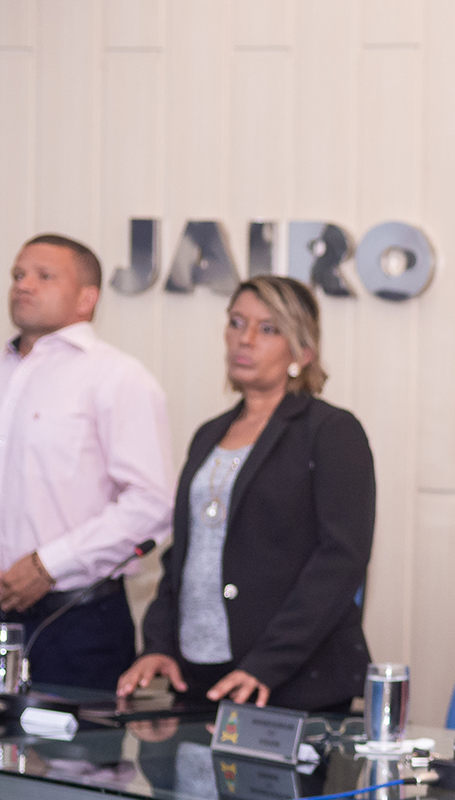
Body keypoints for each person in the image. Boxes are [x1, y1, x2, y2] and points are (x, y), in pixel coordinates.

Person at [0, 235, 174, 693]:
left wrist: (49, 565)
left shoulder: (118, 377)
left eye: (44, 276)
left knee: (78, 745)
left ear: (87, 298)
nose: (23, 285)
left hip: (78, 623)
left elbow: (151, 504)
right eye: (18, 275)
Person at [117, 277, 375, 712]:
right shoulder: (209, 434)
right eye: (236, 323)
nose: (245, 339)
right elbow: (185, 553)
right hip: (199, 676)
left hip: (288, 681)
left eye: (268, 329)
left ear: (302, 352)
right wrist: (158, 645)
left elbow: (340, 561)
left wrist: (266, 664)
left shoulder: (331, 431)